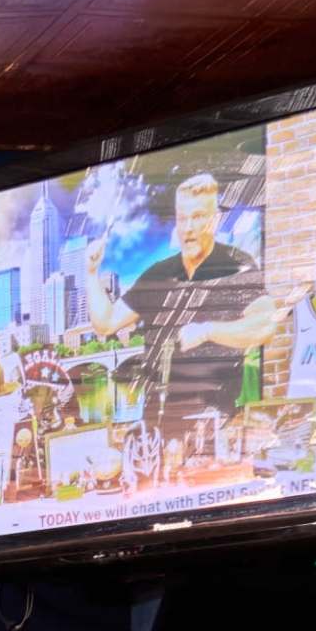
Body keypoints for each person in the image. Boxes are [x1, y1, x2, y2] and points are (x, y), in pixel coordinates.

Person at [124, 169, 282, 440]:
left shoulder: (237, 265)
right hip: (156, 426)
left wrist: (208, 330)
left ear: (215, 220)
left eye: (197, 217)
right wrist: (91, 275)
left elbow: (266, 325)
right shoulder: (159, 273)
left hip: (216, 425)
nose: (189, 227)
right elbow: (105, 321)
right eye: (183, 218)